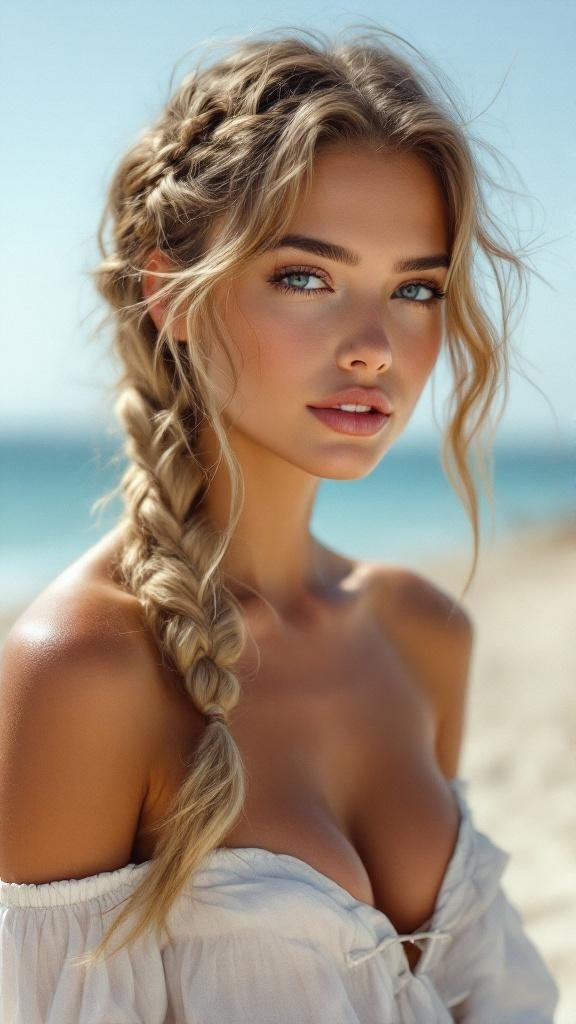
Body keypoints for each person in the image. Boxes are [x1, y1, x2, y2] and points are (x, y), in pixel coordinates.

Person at [0, 24, 559, 1023]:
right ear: (169, 291)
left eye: (416, 288)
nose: (375, 347)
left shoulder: (423, 632)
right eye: (306, 276)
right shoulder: (80, 670)